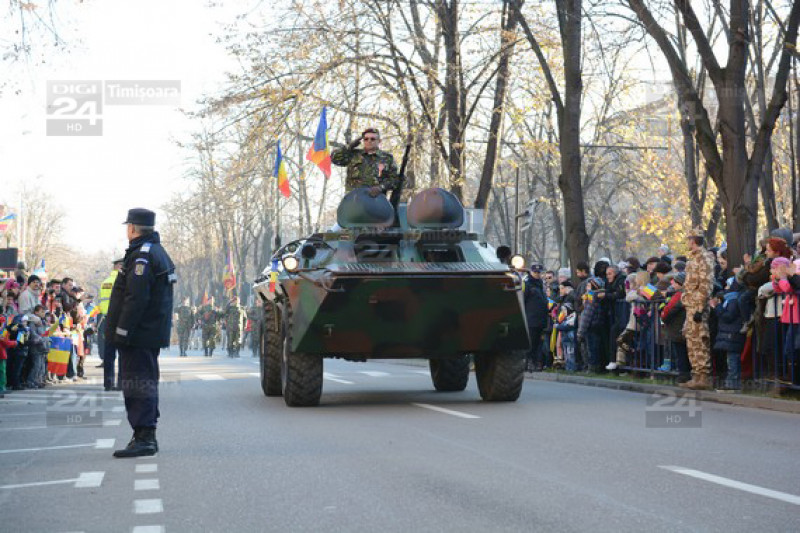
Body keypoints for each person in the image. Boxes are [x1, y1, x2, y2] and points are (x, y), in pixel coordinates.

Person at [106, 208, 176, 458]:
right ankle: (145, 436)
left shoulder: (143, 256)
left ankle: (144, 437)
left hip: (139, 335)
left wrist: (122, 331)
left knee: (138, 384)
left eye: (128, 226)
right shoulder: (151, 251)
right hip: (146, 333)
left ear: (133, 228)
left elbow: (136, 299)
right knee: (143, 382)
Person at [680, 228, 716, 390]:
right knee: (692, 341)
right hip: (690, 305)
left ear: (693, 240)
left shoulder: (705, 258)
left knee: (700, 340)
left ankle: (704, 377)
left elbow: (706, 284)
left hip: (698, 306)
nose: (688, 242)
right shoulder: (693, 259)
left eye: (689, 239)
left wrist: (700, 308)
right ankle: (696, 375)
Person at [331, 128, 400, 196]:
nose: (369, 141)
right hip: (353, 200)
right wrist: (349, 147)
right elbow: (334, 159)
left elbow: (394, 180)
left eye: (372, 139)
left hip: (376, 200)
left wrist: (381, 187)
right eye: (366, 139)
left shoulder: (387, 158)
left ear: (379, 141)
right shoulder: (353, 155)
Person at [523, 263, 549, 372]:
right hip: (531, 319)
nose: (538, 274)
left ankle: (535, 362)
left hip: (541, 319)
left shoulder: (540, 284)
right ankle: (528, 362)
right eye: (535, 272)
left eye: (539, 272)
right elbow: (523, 301)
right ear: (531, 272)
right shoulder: (527, 284)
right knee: (531, 342)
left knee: (539, 343)